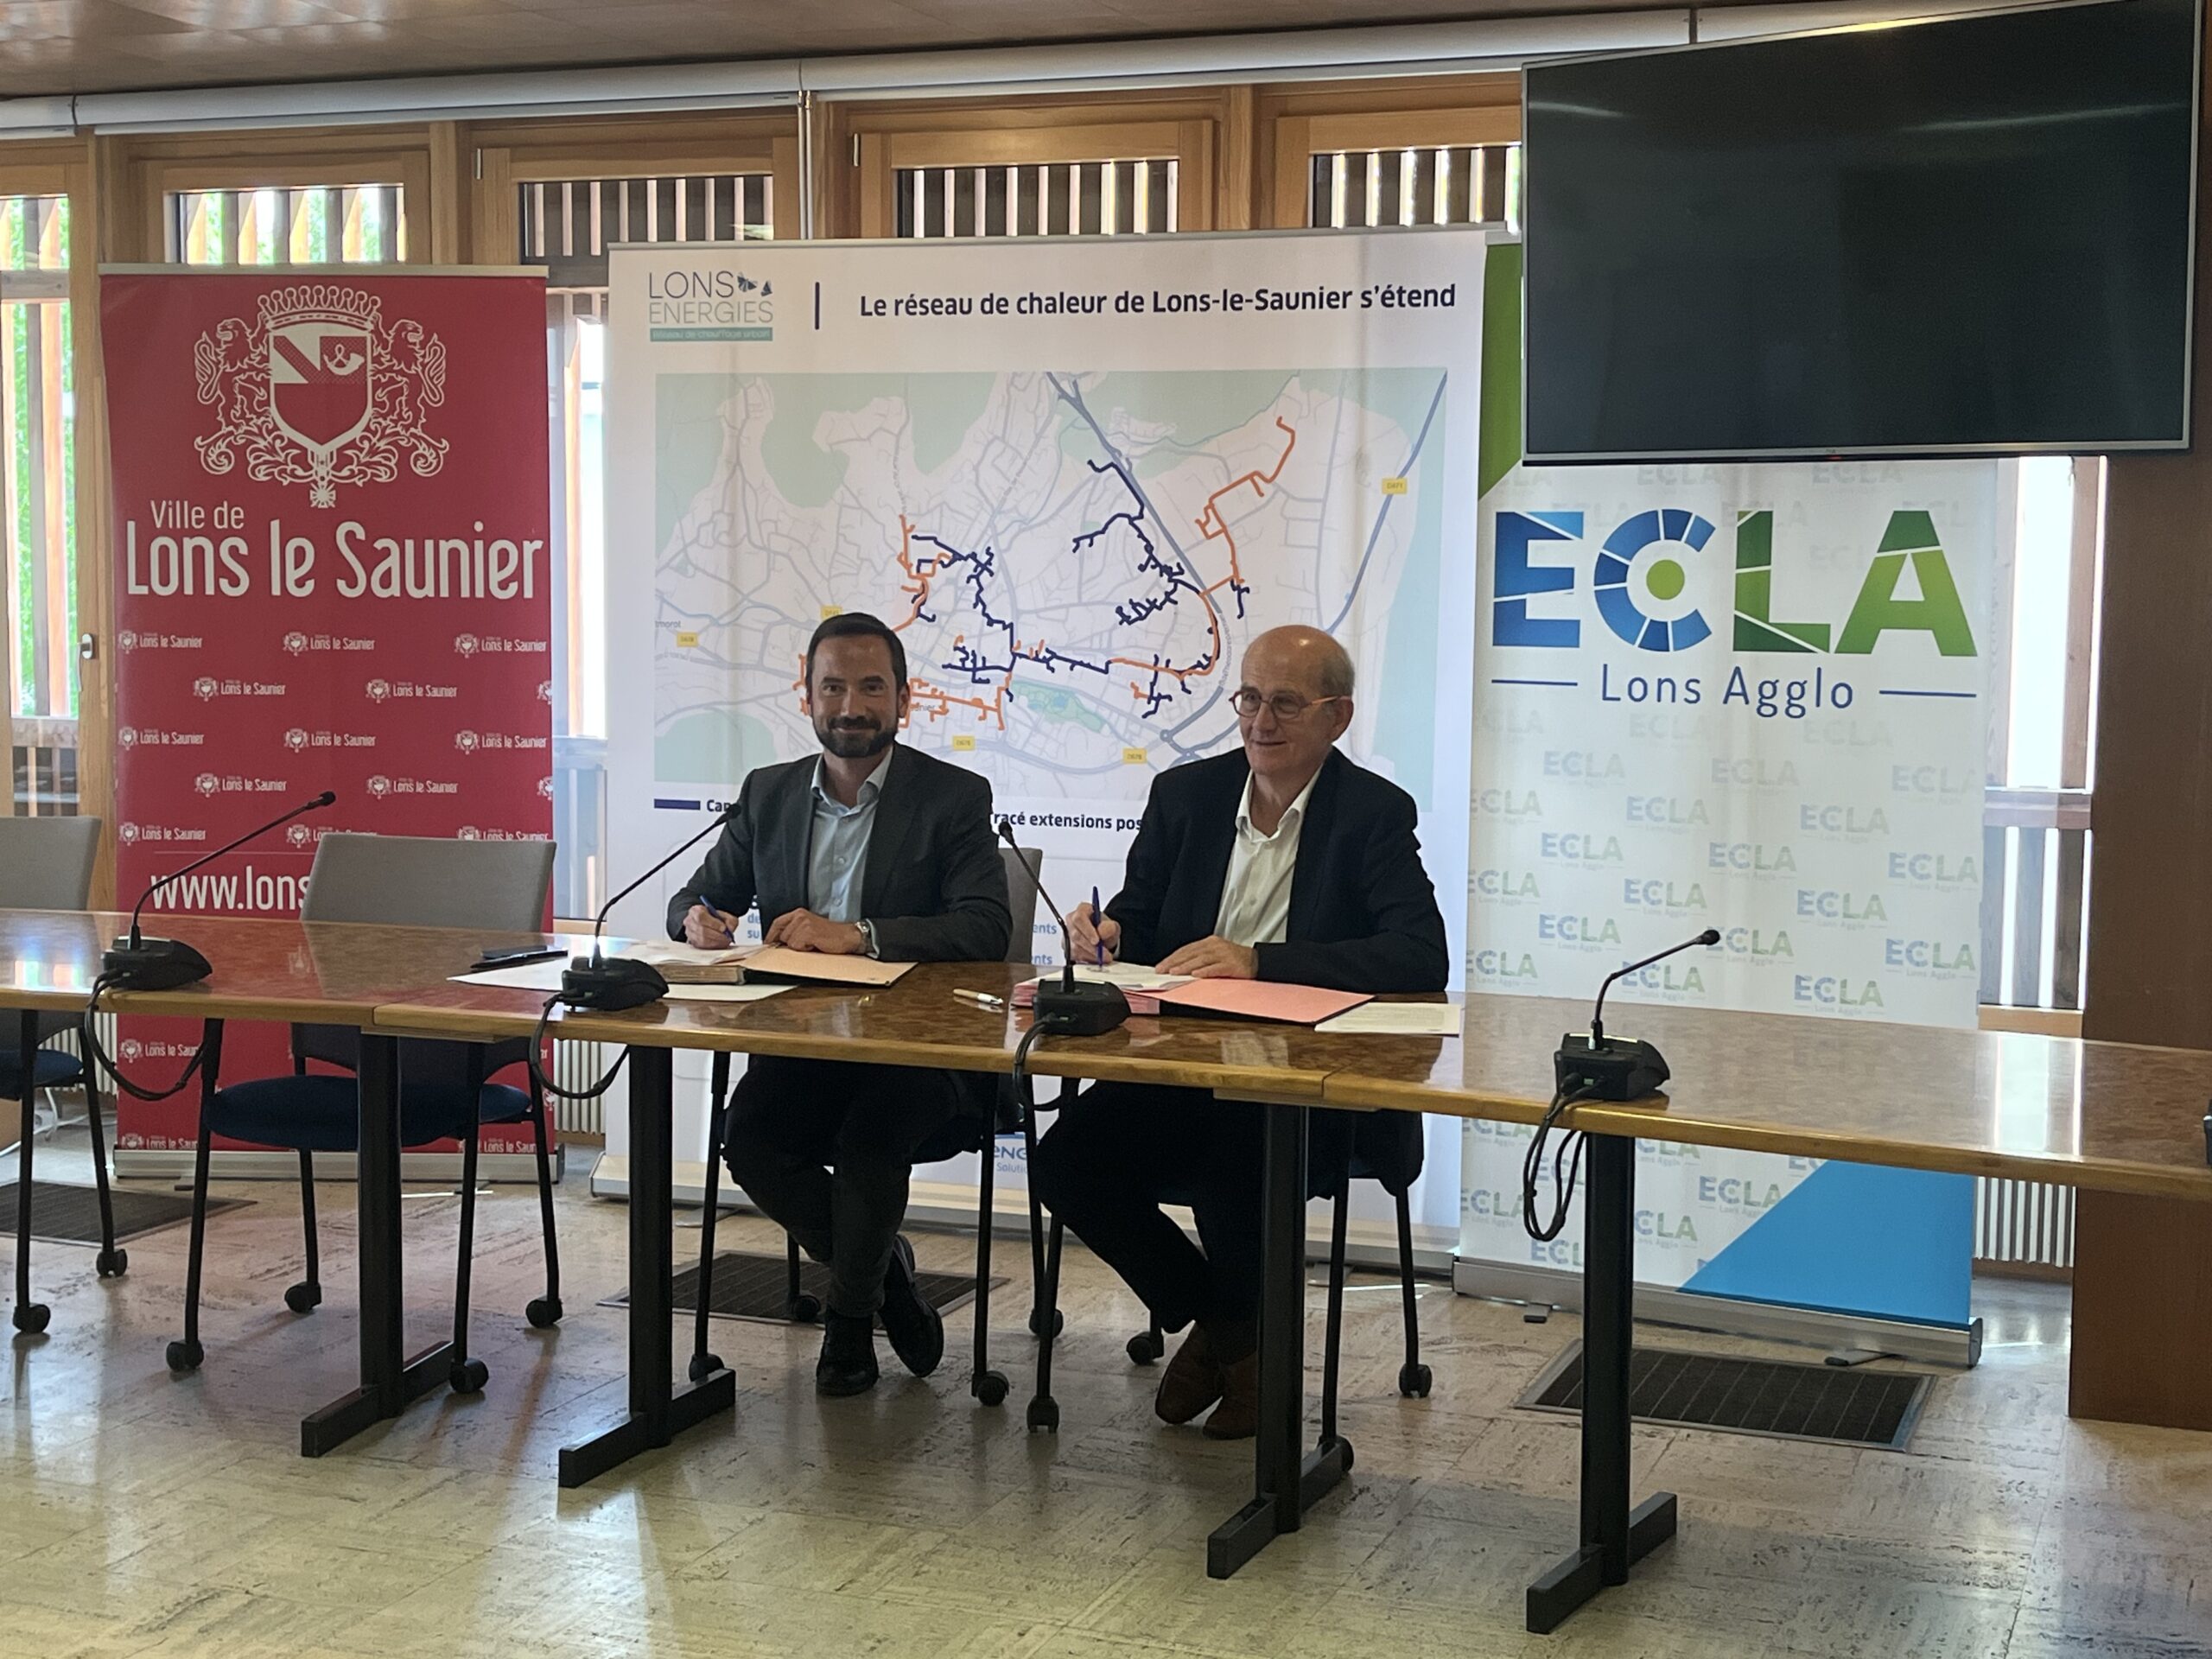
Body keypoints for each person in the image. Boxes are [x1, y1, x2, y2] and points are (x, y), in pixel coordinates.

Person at [1028, 625, 1447, 1440]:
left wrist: (1260, 962)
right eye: (1249, 699)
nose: (1260, 721)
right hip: (1181, 1061)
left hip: (1305, 1081)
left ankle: (1240, 1351)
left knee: (1237, 1166)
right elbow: (1141, 919)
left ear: (1337, 716)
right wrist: (1107, 934)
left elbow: (1418, 953)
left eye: (1285, 703)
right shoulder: (1186, 796)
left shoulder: (1371, 813)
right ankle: (1231, 1329)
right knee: (1066, 1163)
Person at [667, 612, 1010, 1396]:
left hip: (919, 1050)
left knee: (868, 1145)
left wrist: (859, 935)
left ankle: (850, 1322)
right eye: (833, 688)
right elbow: (699, 894)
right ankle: (887, 1277)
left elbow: (986, 926)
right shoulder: (769, 794)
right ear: (807, 696)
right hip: (807, 1041)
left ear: (904, 699)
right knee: (751, 1142)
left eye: (870, 688)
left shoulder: (953, 796)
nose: (850, 706)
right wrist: (695, 919)